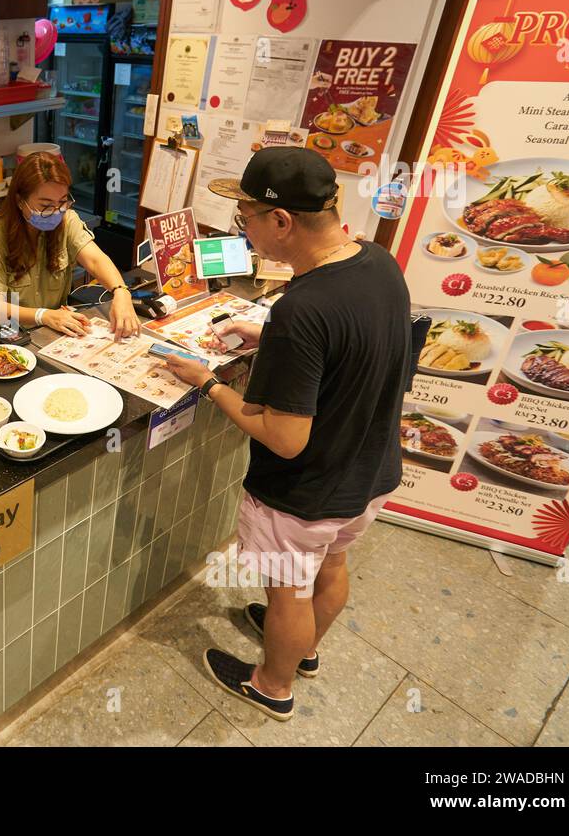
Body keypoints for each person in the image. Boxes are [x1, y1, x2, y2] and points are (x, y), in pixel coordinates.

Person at [163, 147, 410, 722]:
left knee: (288, 592)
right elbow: (352, 348)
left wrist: (207, 384)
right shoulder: (377, 261)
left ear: (281, 221)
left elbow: (284, 437)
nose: (241, 231)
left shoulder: (303, 308)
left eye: (244, 218)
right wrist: (270, 337)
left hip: (308, 491)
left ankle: (272, 684)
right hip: (370, 471)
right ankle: (304, 650)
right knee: (331, 567)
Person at [0, 152, 141, 339]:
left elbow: (95, 259)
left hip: (54, 330)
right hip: (8, 335)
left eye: (62, 202)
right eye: (45, 205)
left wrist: (121, 292)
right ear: (20, 201)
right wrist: (42, 315)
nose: (56, 212)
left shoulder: (67, 221)